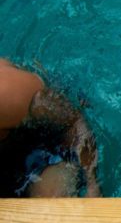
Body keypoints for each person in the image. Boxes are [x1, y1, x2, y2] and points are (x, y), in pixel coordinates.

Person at [0, 59, 102, 198]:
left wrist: (92, 183)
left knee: (52, 200)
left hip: (46, 143)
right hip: (7, 150)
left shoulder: (6, 93)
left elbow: (74, 122)